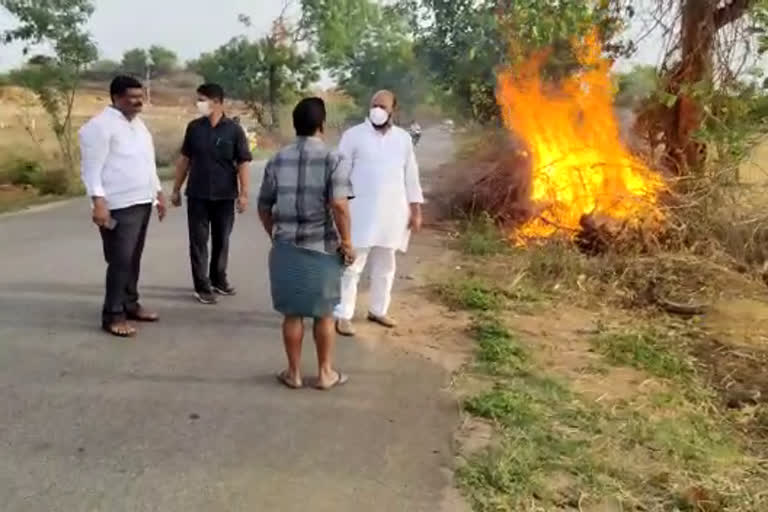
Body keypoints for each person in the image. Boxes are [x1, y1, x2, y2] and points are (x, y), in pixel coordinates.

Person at [257, 97, 355, 390]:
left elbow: (264, 206)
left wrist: (275, 233)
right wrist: (347, 242)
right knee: (324, 314)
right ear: (321, 125)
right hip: (322, 248)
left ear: (295, 125)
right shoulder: (333, 159)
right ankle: (325, 373)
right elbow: (339, 205)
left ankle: (294, 373)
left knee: (292, 313)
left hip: (286, 247)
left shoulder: (277, 159)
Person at [79, 75, 166, 338]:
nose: (139, 102)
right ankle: (113, 314)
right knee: (119, 260)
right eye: (133, 97)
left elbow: (148, 163)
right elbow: (91, 168)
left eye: (141, 97)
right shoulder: (99, 127)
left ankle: (130, 303)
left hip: (141, 201)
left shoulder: (138, 126)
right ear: (116, 98)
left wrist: (158, 193)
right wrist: (98, 202)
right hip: (117, 204)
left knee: (133, 259)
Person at [333, 90, 424, 336]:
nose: (378, 109)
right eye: (374, 104)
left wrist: (415, 210)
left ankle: (378, 310)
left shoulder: (403, 139)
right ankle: (343, 313)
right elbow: (340, 174)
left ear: (393, 109)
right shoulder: (353, 136)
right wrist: (338, 204)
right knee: (352, 265)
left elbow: (411, 175)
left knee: (386, 264)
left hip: (393, 212)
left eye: (383, 106)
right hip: (360, 212)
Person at [171, 83, 253, 304]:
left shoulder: (234, 131)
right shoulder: (194, 128)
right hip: (197, 194)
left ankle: (218, 279)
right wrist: (176, 189)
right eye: (198, 100)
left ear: (217, 102)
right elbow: (184, 160)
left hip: (225, 195)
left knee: (222, 239)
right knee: (198, 241)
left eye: (203, 100)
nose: (199, 104)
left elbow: (243, 162)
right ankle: (202, 285)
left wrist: (244, 193)